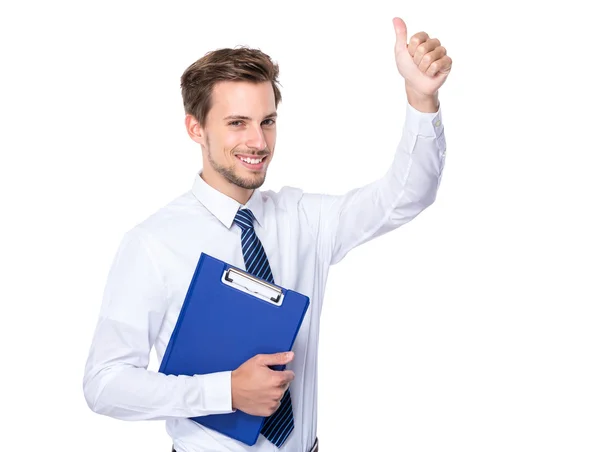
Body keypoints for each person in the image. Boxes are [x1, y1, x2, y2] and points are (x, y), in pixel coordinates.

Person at [83, 16, 452, 452]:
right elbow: (104, 384)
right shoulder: (153, 243)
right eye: (237, 123)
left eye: (268, 121)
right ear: (195, 129)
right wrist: (225, 392)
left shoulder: (304, 219)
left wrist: (420, 98)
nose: (258, 142)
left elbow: (404, 196)